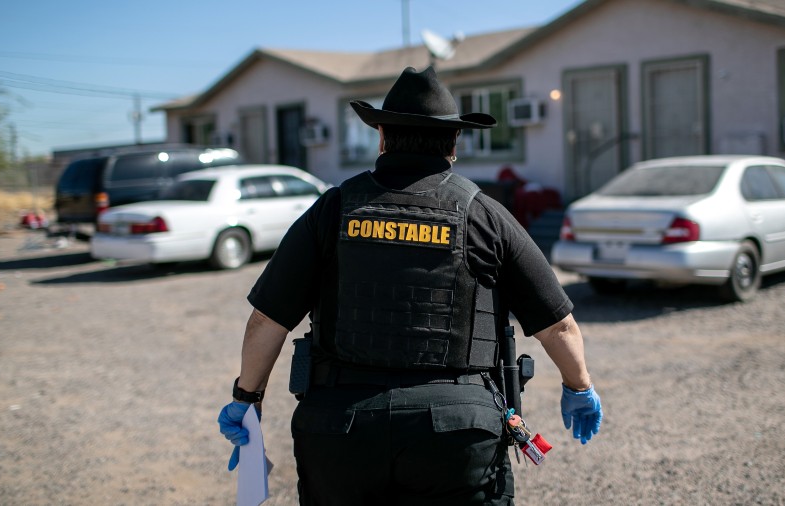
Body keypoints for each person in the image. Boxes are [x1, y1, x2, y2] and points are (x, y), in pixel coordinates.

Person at [218, 66, 602, 505]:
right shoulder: (485, 214)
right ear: (453, 144)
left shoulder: (333, 209)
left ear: (382, 137)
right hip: (457, 434)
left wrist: (247, 398)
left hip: (342, 432)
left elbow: (267, 319)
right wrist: (579, 386)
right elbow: (558, 326)